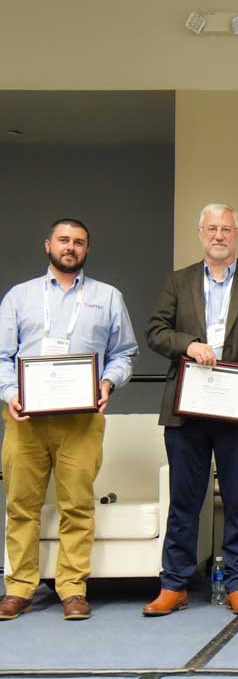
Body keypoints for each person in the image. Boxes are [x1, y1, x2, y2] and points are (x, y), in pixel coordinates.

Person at [143, 203, 238, 617]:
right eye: (211, 228)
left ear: (237, 234)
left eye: (226, 229)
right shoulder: (179, 281)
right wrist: (187, 344)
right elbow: (155, 331)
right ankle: (175, 584)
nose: (219, 235)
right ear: (200, 233)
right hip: (187, 408)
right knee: (185, 500)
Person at [0, 218, 138, 621]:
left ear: (87, 250)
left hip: (81, 419)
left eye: (78, 242)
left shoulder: (107, 297)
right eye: (64, 240)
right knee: (20, 505)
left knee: (77, 505)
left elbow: (124, 352)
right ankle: (19, 588)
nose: (70, 247)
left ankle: (73, 589)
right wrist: (11, 394)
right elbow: (2, 357)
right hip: (26, 420)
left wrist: (108, 384)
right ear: (48, 245)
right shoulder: (19, 297)